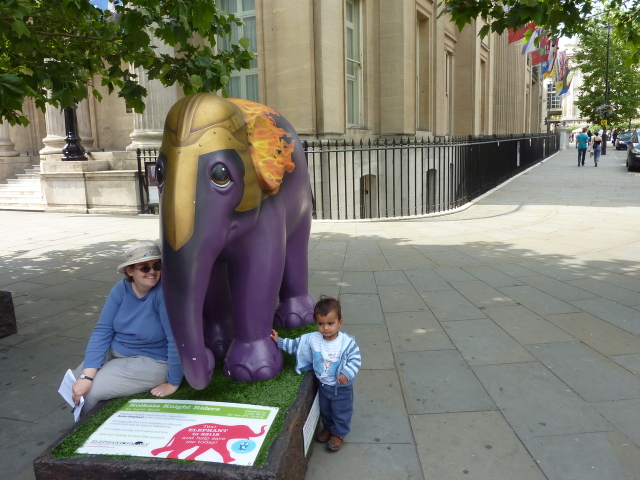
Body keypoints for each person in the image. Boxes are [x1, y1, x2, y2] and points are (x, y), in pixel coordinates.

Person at [71, 241, 183, 416]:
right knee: (76, 379)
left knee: (91, 391)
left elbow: (176, 339)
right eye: (144, 268)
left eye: (157, 266)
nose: (152, 272)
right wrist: (87, 376)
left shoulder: (164, 294)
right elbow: (103, 330)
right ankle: (77, 418)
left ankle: (80, 430)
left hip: (153, 360)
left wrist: (173, 382)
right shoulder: (121, 289)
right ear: (130, 271)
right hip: (118, 351)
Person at [270, 297, 361, 452]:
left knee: (341, 411)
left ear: (340, 322)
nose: (325, 328)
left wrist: (346, 373)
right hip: (323, 386)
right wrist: (280, 341)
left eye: (330, 323)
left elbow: (355, 360)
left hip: (340, 388)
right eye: (321, 324)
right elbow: (296, 346)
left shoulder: (346, 343)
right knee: (325, 409)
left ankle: (339, 434)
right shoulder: (312, 339)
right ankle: (328, 428)